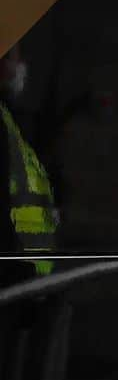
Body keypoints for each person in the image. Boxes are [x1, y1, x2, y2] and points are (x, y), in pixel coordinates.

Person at [0, 45, 57, 276]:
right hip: (14, 278)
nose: (21, 66)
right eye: (14, 57)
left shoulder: (9, 119)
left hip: (27, 275)